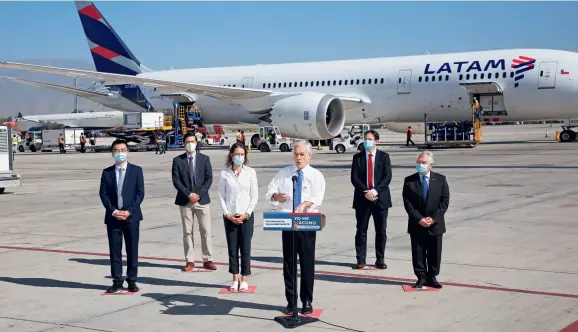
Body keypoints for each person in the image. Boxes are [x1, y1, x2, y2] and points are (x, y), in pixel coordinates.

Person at [265, 140, 326, 315]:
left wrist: (307, 203)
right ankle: (291, 301)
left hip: (307, 223)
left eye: (301, 155)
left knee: (307, 263)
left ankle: (306, 300)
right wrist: (276, 196)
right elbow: (270, 192)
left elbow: (318, 196)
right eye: (296, 154)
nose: (298, 158)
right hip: (288, 223)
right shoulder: (285, 173)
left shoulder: (316, 176)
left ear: (309, 155)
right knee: (289, 263)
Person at [98, 139, 145, 293]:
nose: (120, 153)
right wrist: (114, 211)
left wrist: (129, 211)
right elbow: (103, 194)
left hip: (131, 217)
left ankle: (132, 280)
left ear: (127, 152)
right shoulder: (107, 172)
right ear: (112, 153)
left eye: (123, 150)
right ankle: (117, 280)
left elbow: (140, 194)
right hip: (113, 217)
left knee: (132, 250)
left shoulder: (137, 170)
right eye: (117, 151)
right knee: (115, 250)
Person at [402, 151, 450, 289]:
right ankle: (421, 277)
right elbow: (408, 203)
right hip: (417, 223)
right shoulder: (409, 181)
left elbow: (444, 202)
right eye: (418, 162)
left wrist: (434, 218)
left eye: (423, 163)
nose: (420, 165)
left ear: (431, 165)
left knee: (435, 252)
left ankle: (432, 276)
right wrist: (419, 219)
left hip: (435, 224)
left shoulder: (441, 180)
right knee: (418, 252)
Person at [171, 132, 216, 271]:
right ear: (184, 144)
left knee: (206, 230)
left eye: (192, 141)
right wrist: (188, 194)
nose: (190, 144)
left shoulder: (205, 159)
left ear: (196, 143)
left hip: (202, 200)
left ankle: (207, 259)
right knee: (187, 232)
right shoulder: (178, 160)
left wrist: (198, 194)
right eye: (187, 142)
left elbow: (209, 178)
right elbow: (176, 180)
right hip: (185, 201)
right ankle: (189, 260)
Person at [218, 142, 258, 291]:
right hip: (230, 216)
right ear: (231, 155)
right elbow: (221, 195)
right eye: (237, 154)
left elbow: (254, 196)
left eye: (242, 154)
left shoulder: (251, 173)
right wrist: (227, 214)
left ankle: (244, 277)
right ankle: (235, 277)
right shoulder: (225, 173)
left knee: (245, 248)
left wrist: (246, 213)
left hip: (246, 215)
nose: (239, 157)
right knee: (232, 248)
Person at [350, 129, 392, 269]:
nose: (367, 141)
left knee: (381, 231)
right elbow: (354, 178)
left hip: (380, 199)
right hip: (362, 199)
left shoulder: (384, 157)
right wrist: (366, 192)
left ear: (376, 141)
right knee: (361, 230)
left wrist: (374, 191)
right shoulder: (357, 158)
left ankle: (380, 259)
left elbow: (387, 177)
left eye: (369, 139)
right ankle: (361, 260)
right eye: (365, 139)